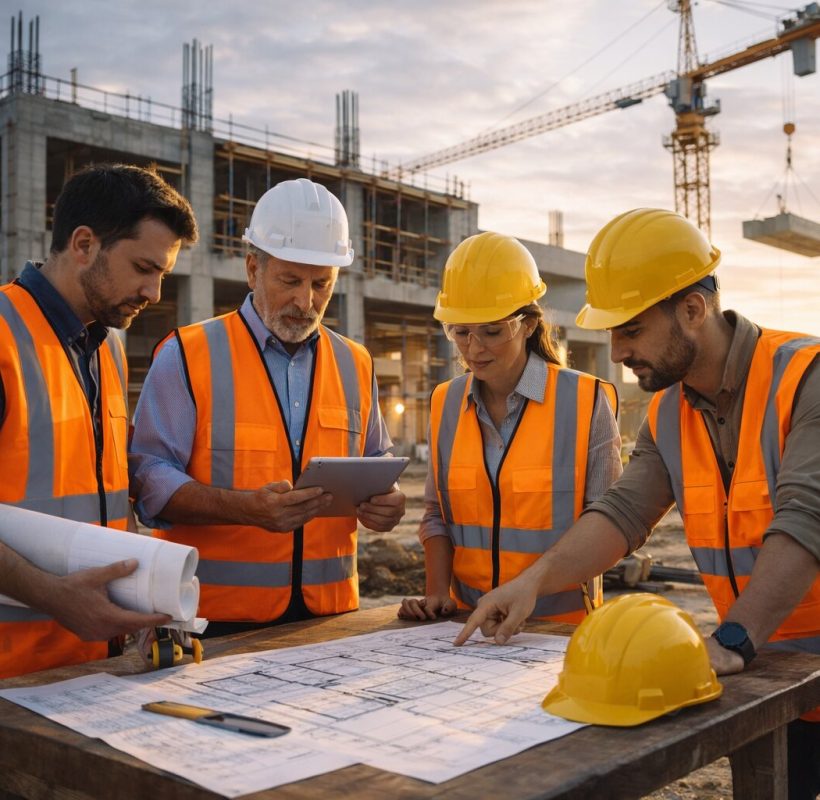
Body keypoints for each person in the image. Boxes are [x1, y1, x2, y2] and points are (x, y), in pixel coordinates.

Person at [455, 209, 820, 800]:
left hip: (756, 652)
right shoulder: (670, 411)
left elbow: (806, 520)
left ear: (693, 309)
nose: (617, 350)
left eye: (630, 329)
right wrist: (532, 583)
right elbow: (622, 514)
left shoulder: (805, 379)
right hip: (775, 678)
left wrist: (733, 640)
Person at [130, 178, 406, 637]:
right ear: (253, 268)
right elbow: (148, 480)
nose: (306, 301)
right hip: (210, 620)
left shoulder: (355, 362)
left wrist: (387, 502)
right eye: (290, 281)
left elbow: (377, 461)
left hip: (330, 617)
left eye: (322, 284)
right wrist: (244, 508)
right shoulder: (187, 354)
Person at [0, 163, 199, 678]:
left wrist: (145, 591)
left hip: (90, 670)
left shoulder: (107, 350)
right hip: (12, 673)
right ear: (84, 244)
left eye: (162, 275)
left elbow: (107, 494)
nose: (154, 293)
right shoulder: (2, 337)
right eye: (144, 268)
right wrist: (54, 596)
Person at [398, 232, 621, 624]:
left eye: (492, 331)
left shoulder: (586, 401)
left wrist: (530, 588)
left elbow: (609, 527)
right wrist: (437, 594)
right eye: (461, 332)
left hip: (560, 631)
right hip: (466, 627)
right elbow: (437, 515)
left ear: (528, 324)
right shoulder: (445, 403)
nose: (474, 348)